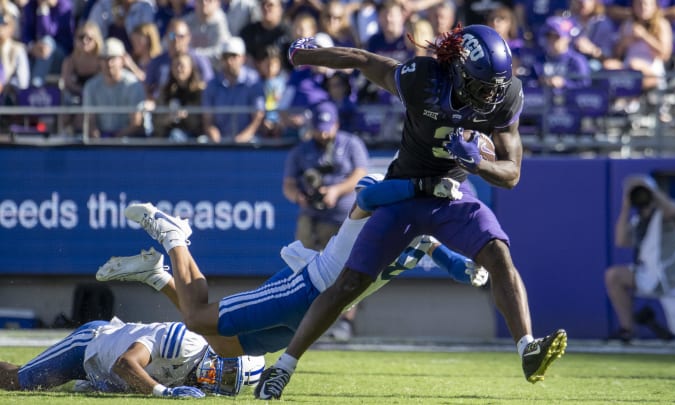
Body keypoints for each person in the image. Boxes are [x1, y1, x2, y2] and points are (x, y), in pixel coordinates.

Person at [254, 24, 568, 399]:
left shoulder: (506, 96)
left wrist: (477, 165)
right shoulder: (423, 79)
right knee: (349, 284)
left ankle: (527, 348)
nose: (492, 95)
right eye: (484, 85)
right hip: (404, 194)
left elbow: (512, 174)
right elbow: (362, 60)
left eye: (497, 85)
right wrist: (304, 56)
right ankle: (283, 368)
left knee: (499, 255)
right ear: (458, 71)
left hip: (452, 193)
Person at [100, 174, 484, 360]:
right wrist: (421, 184)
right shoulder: (373, 210)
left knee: (224, 348)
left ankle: (158, 274)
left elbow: (444, 255)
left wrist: (467, 269)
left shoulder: (420, 235)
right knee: (199, 320)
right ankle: (174, 237)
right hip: (304, 290)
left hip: (320, 313)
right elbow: (369, 190)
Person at [0, 317, 265, 397]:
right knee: (19, 381)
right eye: (227, 369)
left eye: (228, 381)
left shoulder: (201, 384)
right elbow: (125, 364)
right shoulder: (187, 343)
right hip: (90, 348)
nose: (217, 377)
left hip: (108, 375)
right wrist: (163, 392)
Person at [604, 174, 675, 345]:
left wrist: (649, 189)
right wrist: (626, 205)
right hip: (652, 277)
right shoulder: (639, 222)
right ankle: (627, 330)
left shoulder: (668, 214)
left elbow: (671, 209)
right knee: (615, 276)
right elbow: (621, 240)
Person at [283, 100, 369, 250]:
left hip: (346, 219)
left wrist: (335, 191)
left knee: (343, 268)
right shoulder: (300, 150)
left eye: (327, 128)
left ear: (336, 124)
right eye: (319, 129)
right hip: (311, 219)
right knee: (304, 263)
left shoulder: (351, 144)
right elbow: (288, 184)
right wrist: (299, 196)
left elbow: (361, 174)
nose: (323, 134)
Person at [201, 36, 265, 143]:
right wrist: (213, 132)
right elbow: (208, 119)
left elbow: (258, 116)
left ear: (243, 58)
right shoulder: (212, 84)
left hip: (249, 140)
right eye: (225, 57)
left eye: (234, 56)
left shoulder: (253, 81)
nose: (229, 61)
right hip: (219, 142)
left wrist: (243, 137)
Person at [82, 37, 146, 138]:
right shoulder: (91, 86)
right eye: (104, 58)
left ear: (122, 59)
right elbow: (90, 121)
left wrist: (114, 139)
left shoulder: (133, 85)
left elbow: (136, 123)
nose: (109, 63)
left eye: (113, 58)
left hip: (129, 141)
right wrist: (98, 138)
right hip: (101, 140)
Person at [59, 21, 103, 134]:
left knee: (84, 115)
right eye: (81, 37)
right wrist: (84, 92)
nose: (84, 41)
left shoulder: (102, 60)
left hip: (98, 98)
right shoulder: (70, 60)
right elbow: (67, 82)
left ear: (96, 40)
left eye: (89, 38)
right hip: (77, 96)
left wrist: (89, 94)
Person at [153, 51, 206, 140]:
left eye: (182, 65)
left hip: (195, 137)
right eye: (175, 65)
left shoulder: (200, 91)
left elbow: (205, 121)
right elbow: (156, 122)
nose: (178, 69)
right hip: (169, 136)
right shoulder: (166, 91)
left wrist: (187, 115)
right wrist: (169, 118)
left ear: (190, 68)